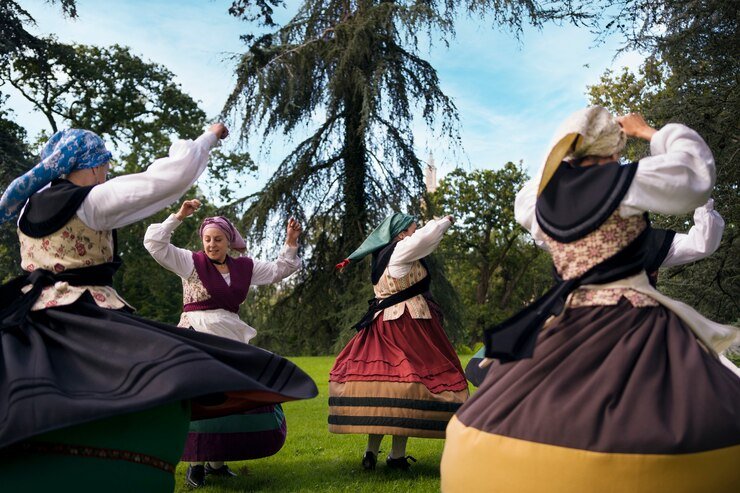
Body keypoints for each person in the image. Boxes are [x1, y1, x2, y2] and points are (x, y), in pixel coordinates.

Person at [0, 125, 318, 492]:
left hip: (30, 313)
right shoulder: (90, 202)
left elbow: (278, 269)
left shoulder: (27, 207)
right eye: (104, 164)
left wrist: (290, 247)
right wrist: (208, 137)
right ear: (88, 165)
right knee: (163, 378)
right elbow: (167, 180)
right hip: (86, 310)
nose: (107, 173)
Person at [440, 108, 740, 492]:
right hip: (633, 319)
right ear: (614, 150)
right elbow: (695, 173)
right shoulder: (624, 184)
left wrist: (565, 152)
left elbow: (533, 191)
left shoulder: (537, 202)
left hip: (568, 318)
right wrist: (648, 132)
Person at [464, 197, 726, 386]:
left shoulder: (650, 241)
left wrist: (703, 200)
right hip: (580, 321)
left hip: (634, 328)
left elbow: (701, 243)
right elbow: (534, 220)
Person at [144, 198, 303, 488]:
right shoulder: (190, 262)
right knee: (201, 395)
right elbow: (155, 244)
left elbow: (281, 269)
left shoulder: (243, 268)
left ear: (228, 242)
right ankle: (195, 464)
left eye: (217, 239)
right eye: (206, 239)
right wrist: (178, 216)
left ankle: (217, 461)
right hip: (197, 335)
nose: (211, 244)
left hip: (230, 336)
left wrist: (290, 242)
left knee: (231, 397)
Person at [329, 213, 468, 471]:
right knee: (408, 385)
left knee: (385, 386)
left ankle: (371, 453)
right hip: (406, 322)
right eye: (412, 229)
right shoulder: (402, 249)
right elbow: (427, 239)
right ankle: (396, 456)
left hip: (382, 322)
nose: (416, 233)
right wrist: (444, 221)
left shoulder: (382, 256)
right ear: (401, 233)